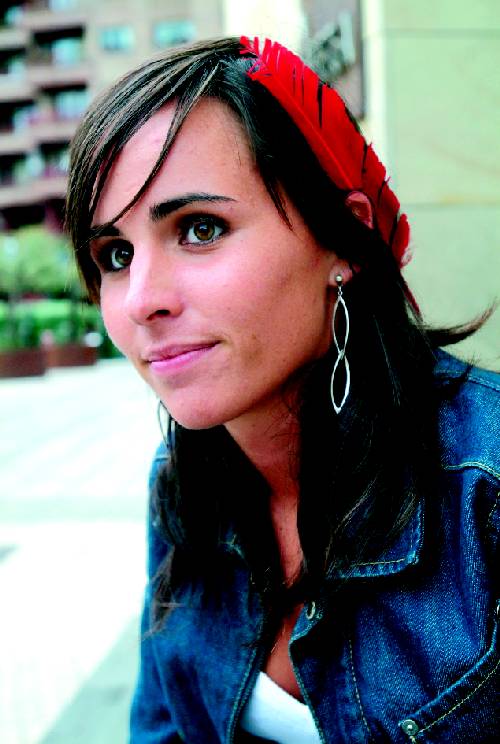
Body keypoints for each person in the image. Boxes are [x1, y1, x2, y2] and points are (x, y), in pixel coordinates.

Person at [65, 36, 499, 744]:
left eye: (200, 228)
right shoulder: (181, 485)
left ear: (344, 242)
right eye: (115, 254)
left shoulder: (485, 492)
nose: (140, 300)